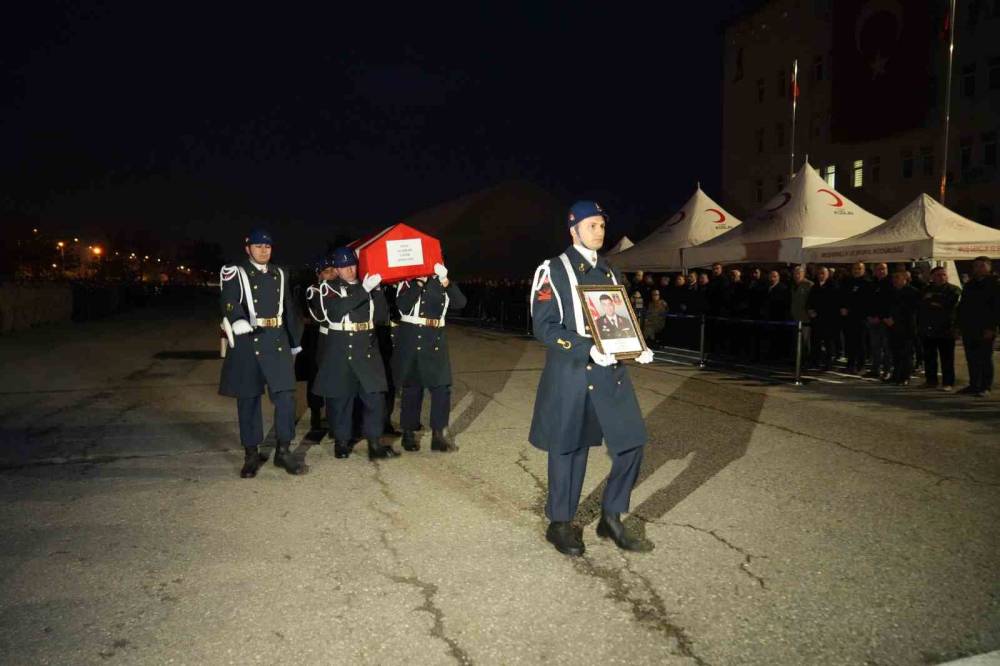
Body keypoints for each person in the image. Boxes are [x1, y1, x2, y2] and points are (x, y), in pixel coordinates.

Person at [529, 200, 654, 557]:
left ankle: (611, 516)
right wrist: (585, 348)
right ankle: (560, 522)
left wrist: (636, 347)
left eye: (601, 225)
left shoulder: (611, 272)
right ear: (573, 230)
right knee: (569, 449)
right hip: (573, 371)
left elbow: (617, 319)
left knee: (631, 441)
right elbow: (544, 326)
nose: (599, 231)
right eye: (591, 226)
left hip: (610, 371)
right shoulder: (552, 269)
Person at [218, 229, 307, 478]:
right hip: (248, 341)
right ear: (248, 249)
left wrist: (294, 341)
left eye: (267, 247)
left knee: (287, 398)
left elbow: (288, 308)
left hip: (276, 340)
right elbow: (228, 299)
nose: (263, 250)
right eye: (258, 246)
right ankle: (250, 454)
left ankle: (283, 451)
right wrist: (236, 319)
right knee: (248, 400)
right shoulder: (236, 272)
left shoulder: (280, 273)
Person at [309, 247, 398, 460]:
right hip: (340, 347)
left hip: (366, 347)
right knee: (341, 399)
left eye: (352, 265)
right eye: (343, 266)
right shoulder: (328, 288)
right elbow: (335, 312)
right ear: (336, 270)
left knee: (375, 398)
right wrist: (364, 290)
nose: (349, 270)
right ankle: (341, 442)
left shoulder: (367, 287)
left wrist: (376, 291)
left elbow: (382, 316)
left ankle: (375, 443)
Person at [394, 262, 468, 452]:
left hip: (435, 338)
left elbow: (461, 303)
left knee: (441, 388)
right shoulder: (408, 281)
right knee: (412, 387)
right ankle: (408, 434)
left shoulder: (442, 281)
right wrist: (418, 282)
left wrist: (445, 280)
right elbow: (402, 306)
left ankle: (438, 435)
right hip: (413, 336)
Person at [299, 254, 339, 430]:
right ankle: (316, 414)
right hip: (316, 338)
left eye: (333, 271)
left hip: (336, 338)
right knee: (316, 377)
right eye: (326, 272)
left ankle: (333, 416)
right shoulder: (313, 290)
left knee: (336, 378)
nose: (331, 275)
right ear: (319, 274)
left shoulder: (340, 289)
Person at [956, 256, 999, 397]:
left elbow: (996, 308)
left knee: (985, 357)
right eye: (976, 266)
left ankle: (985, 386)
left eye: (982, 266)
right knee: (971, 357)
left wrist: (991, 328)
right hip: (969, 326)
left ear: (989, 267)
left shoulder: (995, 284)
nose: (978, 269)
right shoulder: (969, 285)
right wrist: (958, 325)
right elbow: (963, 306)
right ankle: (974, 384)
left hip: (985, 327)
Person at [918, 266, 961, 390]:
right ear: (932, 277)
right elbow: (922, 304)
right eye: (938, 275)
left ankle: (948, 382)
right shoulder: (926, 289)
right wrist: (935, 302)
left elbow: (949, 304)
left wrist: (933, 301)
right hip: (928, 328)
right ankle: (931, 381)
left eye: (943, 274)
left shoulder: (953, 289)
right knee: (929, 357)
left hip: (945, 328)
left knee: (947, 358)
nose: (941, 277)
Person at [884, 269, 920, 385]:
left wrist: (896, 320)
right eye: (893, 278)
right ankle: (896, 375)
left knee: (906, 353)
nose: (894, 280)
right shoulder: (891, 291)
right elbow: (886, 306)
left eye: (897, 278)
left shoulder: (912, 292)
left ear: (905, 279)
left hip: (906, 327)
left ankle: (905, 376)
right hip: (892, 326)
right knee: (895, 352)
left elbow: (911, 311)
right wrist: (886, 318)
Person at [863, 263, 893, 380]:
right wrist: (869, 316)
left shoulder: (890, 284)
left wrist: (880, 317)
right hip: (872, 319)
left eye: (883, 269)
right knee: (875, 347)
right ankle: (875, 369)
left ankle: (887, 371)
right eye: (878, 269)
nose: (881, 271)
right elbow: (867, 301)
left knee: (886, 348)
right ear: (874, 271)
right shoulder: (871, 284)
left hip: (884, 320)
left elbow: (889, 303)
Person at [806, 266, 839, 370]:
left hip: (828, 320)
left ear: (828, 275)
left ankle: (828, 364)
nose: (821, 275)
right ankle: (815, 361)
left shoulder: (833, 286)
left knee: (828, 342)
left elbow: (833, 303)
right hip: (816, 320)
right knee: (815, 341)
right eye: (819, 273)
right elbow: (810, 301)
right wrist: (810, 310)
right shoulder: (814, 286)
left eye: (823, 273)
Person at [839, 262, 869, 374]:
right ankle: (850, 364)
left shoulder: (866, 283)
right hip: (847, 318)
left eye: (859, 268)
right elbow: (842, 297)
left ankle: (861, 365)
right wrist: (842, 307)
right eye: (855, 268)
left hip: (860, 318)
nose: (856, 270)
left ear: (863, 270)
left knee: (860, 343)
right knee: (849, 342)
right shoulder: (847, 282)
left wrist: (850, 309)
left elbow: (865, 302)